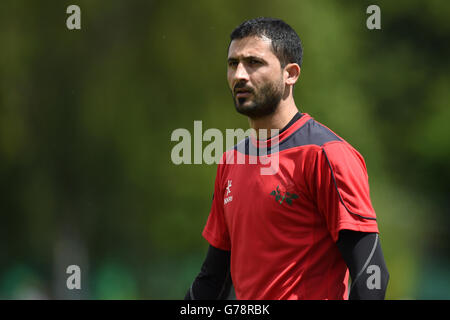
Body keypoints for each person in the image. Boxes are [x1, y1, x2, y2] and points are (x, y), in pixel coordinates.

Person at [185, 17, 389, 300]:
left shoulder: (327, 155)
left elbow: (371, 272)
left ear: (290, 73)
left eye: (254, 63)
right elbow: (212, 280)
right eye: (233, 64)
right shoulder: (231, 161)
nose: (240, 75)